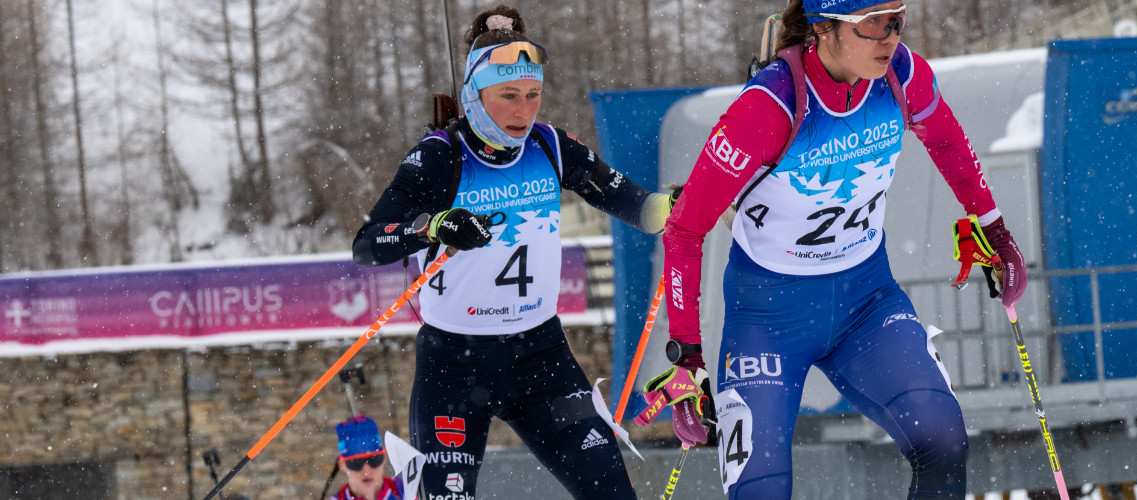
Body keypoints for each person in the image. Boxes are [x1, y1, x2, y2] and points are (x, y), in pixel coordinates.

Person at [655, 0, 1028, 498]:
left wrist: (995, 231)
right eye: (872, 24)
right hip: (768, 320)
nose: (890, 37)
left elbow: (947, 142)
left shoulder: (901, 75)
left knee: (943, 441)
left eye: (896, 19)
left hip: (867, 304)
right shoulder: (769, 106)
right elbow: (684, 230)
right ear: (823, 30)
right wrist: (687, 356)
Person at [351, 5, 670, 499]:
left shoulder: (551, 146)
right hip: (454, 364)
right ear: (475, 96)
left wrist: (680, 205)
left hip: (540, 357)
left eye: (533, 95)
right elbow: (368, 245)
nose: (524, 111)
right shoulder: (441, 155)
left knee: (611, 491)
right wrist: (433, 227)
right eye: (508, 96)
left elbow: (636, 205)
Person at [332, 416, 403, 500]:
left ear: (384, 457)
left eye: (374, 460)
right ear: (341, 465)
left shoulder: (408, 490)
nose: (366, 471)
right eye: (356, 463)